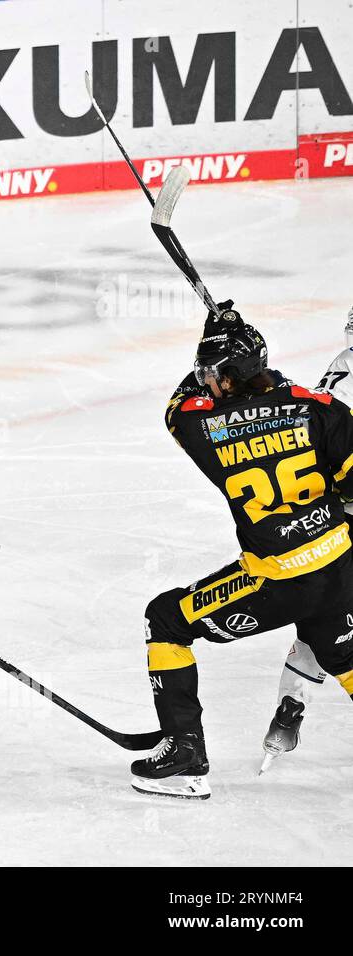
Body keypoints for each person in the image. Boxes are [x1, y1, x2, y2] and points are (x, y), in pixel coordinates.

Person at [134, 303, 353, 798]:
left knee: (166, 620)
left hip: (276, 582)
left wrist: (216, 331)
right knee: (346, 660)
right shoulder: (316, 405)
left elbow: (177, 405)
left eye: (212, 373)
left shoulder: (203, 425)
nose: (205, 381)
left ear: (228, 377)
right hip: (341, 568)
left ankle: (186, 757)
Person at [260, 304, 353, 771]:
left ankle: (291, 708)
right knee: (333, 622)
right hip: (342, 520)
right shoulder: (344, 380)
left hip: (328, 526)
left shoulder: (339, 371)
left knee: (326, 622)